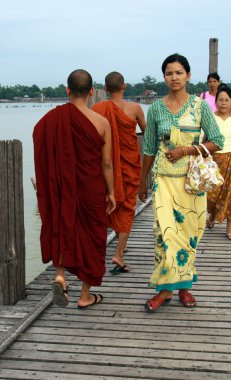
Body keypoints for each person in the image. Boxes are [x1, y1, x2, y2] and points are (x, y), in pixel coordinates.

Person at [138, 53, 224, 312]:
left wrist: (186, 151)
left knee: (188, 238)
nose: (173, 77)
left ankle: (184, 288)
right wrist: (142, 182)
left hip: (192, 184)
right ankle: (164, 292)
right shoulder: (155, 109)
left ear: (188, 75)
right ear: (164, 77)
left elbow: (217, 140)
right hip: (163, 181)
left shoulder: (200, 107)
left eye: (178, 72)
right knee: (163, 237)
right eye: (168, 73)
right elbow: (150, 147)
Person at [33, 69, 116, 309]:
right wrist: (111, 192)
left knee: (64, 225)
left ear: (67, 90)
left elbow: (40, 143)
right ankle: (85, 296)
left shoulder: (49, 120)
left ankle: (60, 274)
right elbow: (107, 163)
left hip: (63, 188)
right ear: (92, 91)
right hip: (91, 187)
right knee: (92, 236)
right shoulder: (101, 122)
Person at [92, 72, 146, 274]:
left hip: (105, 167)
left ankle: (100, 252)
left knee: (107, 205)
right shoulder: (135, 108)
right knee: (127, 208)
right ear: (124, 86)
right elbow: (147, 134)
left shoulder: (97, 108)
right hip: (129, 166)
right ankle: (119, 255)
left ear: (105, 89)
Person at [207, 86, 231, 239]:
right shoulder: (210, 117)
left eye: (227, 100)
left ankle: (230, 227)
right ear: (216, 102)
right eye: (220, 100)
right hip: (215, 160)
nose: (223, 103)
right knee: (213, 194)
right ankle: (212, 216)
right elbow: (202, 137)